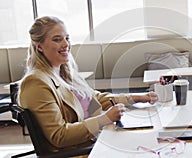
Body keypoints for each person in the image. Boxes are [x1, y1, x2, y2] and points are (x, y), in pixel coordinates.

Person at [17, 16, 158, 149]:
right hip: (78, 150)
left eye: (67, 38)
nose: (66, 44)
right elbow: (59, 136)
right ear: (39, 46)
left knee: (154, 137)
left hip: (94, 140)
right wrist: (104, 119)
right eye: (57, 39)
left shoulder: (63, 71)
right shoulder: (36, 83)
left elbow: (93, 98)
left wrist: (135, 98)